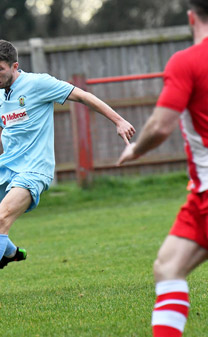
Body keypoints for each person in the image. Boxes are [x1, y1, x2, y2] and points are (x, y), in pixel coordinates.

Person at [0, 40, 135, 301]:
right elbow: (2, 129)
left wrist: (119, 121)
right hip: (5, 167)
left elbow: (83, 95)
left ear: (14, 66)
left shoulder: (38, 84)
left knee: (1, 219)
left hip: (34, 170)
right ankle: (8, 253)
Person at [117, 1, 208, 335]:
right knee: (168, 266)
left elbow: (160, 127)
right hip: (200, 197)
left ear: (190, 16)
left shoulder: (188, 61)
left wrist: (136, 149)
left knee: (169, 268)